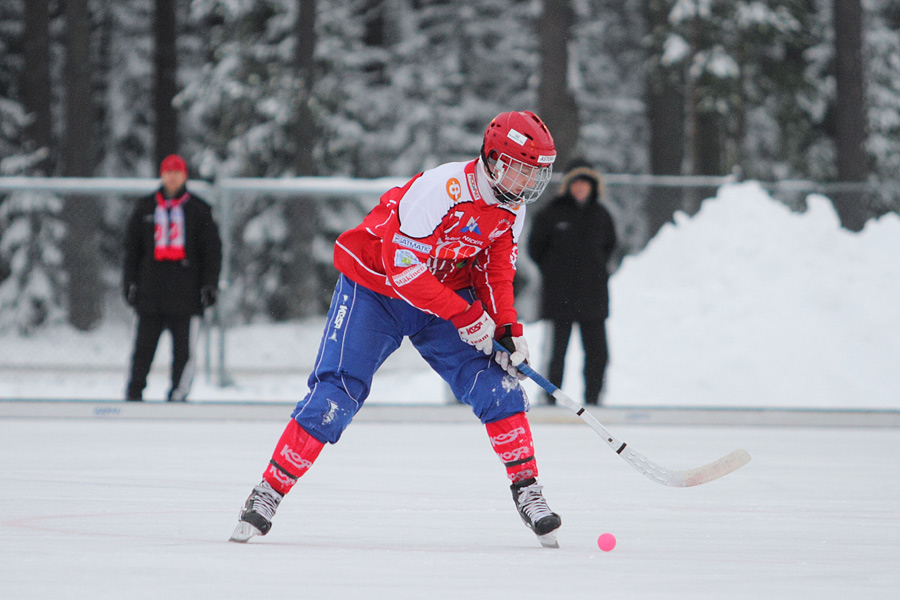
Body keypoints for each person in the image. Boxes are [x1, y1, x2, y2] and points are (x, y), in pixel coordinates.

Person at [229, 111, 563, 548]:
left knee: (497, 386)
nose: (529, 183)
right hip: (377, 289)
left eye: (535, 173)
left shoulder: (510, 209)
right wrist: (467, 318)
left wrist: (506, 328)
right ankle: (268, 491)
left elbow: (495, 268)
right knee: (337, 393)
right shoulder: (442, 190)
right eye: (523, 169)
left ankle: (527, 489)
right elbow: (403, 269)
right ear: (496, 160)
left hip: (439, 293)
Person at [122, 154, 222, 402]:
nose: (173, 177)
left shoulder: (199, 211)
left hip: (186, 295)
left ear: (185, 175)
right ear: (162, 174)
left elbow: (212, 252)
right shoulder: (145, 208)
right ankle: (134, 392)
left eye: (177, 172)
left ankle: (179, 393)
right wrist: (129, 283)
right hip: (150, 293)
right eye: (168, 172)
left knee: (183, 352)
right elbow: (131, 250)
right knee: (142, 349)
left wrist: (209, 285)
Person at [527, 160, 617, 406]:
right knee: (556, 354)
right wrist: (554, 272)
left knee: (597, 353)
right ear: (568, 185)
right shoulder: (551, 214)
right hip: (559, 298)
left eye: (584, 183)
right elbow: (535, 248)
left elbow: (609, 247)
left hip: (593, 297)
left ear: (592, 186)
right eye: (575, 183)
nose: (580, 188)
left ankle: (594, 400)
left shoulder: (602, 215)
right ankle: (549, 398)